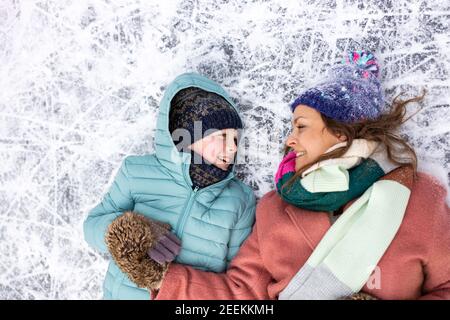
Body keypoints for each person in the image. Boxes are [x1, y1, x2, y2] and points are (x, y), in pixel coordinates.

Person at [106, 51, 450, 300]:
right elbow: (239, 299)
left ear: (341, 133)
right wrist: (159, 277)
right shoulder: (275, 211)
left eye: (301, 126)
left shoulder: (417, 201)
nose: (288, 139)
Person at [83, 73, 256, 299]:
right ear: (190, 134)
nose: (233, 148)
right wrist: (133, 233)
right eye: (222, 135)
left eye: (235, 139)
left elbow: (237, 283)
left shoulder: (239, 200)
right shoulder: (136, 172)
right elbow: (91, 227)